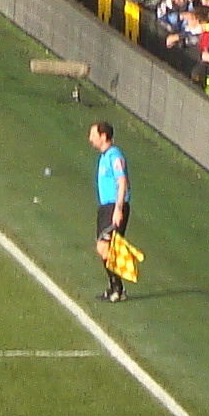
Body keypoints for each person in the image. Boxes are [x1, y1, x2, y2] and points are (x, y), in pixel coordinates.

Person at [90, 118, 132, 303]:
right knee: (105, 248)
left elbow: (122, 182)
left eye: (93, 135)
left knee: (104, 247)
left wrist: (118, 209)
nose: (90, 139)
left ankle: (118, 289)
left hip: (113, 207)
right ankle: (115, 287)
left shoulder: (115, 156)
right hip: (105, 208)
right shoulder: (105, 156)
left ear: (103, 136)